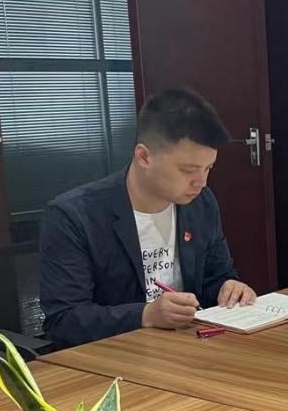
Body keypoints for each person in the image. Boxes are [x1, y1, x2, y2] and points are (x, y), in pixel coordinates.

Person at [40, 87, 256, 348]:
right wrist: (145, 315)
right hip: (115, 355)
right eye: (188, 170)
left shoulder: (201, 203)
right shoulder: (74, 216)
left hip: (189, 348)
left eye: (208, 168)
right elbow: (63, 320)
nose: (201, 182)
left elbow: (216, 275)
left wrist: (229, 288)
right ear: (144, 157)